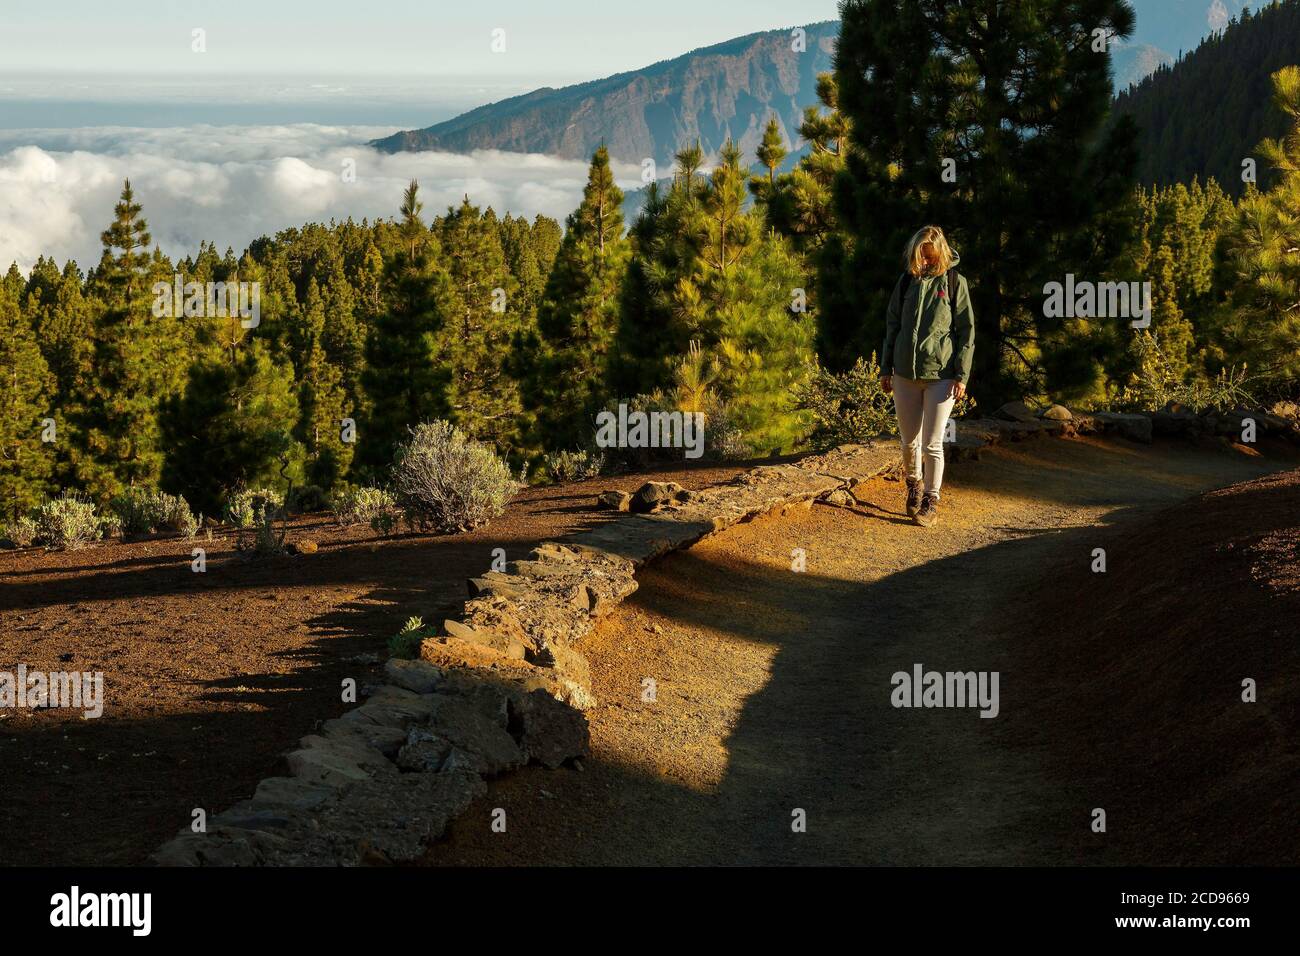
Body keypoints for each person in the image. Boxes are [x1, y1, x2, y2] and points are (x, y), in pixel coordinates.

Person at [879, 225, 975, 527]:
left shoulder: (954, 282)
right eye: (922, 256)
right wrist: (885, 368)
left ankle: (932, 500)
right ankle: (914, 486)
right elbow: (892, 325)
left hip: (942, 375)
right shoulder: (906, 282)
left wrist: (962, 374)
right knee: (909, 442)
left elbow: (966, 330)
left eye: (931, 257)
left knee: (932, 443)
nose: (926, 262)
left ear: (941, 254)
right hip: (905, 373)